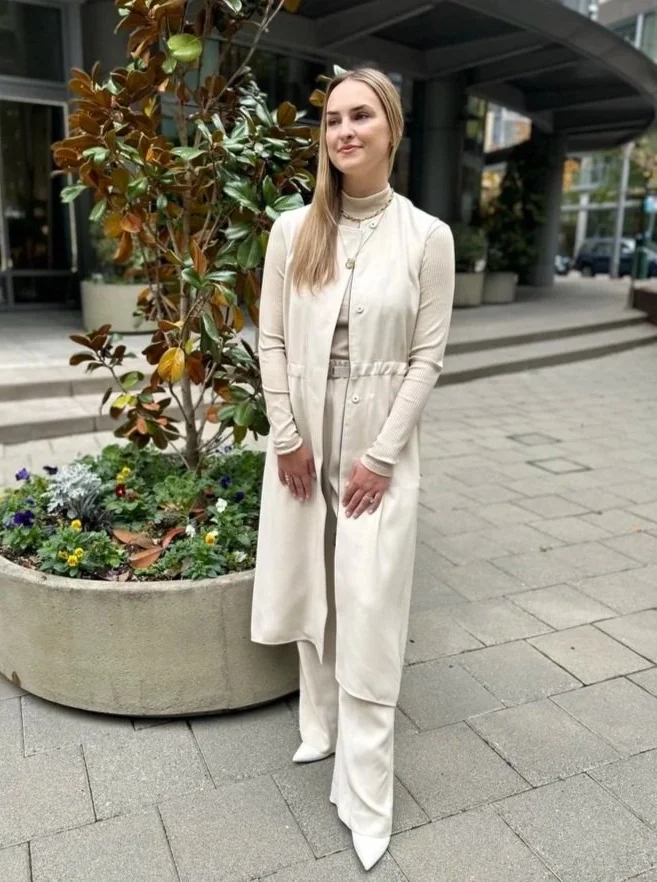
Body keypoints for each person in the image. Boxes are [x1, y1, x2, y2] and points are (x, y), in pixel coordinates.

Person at [251, 67, 455, 871]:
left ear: (391, 129)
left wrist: (379, 456)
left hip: (379, 439)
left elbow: (426, 358)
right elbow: (271, 339)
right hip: (302, 431)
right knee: (313, 585)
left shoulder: (427, 237)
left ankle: (366, 794)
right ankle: (319, 724)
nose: (343, 131)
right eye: (333, 119)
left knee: (368, 606)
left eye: (360, 116)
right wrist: (285, 436)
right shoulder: (291, 230)